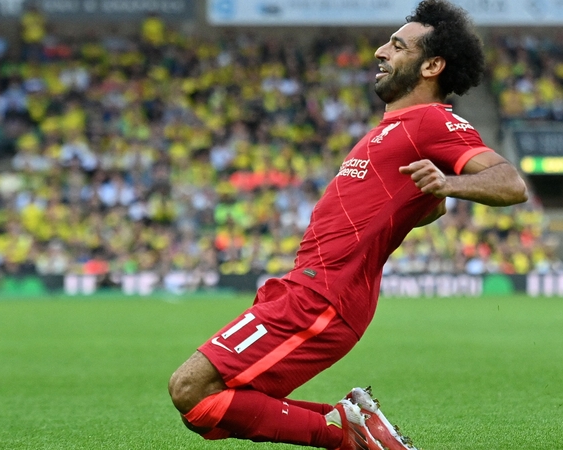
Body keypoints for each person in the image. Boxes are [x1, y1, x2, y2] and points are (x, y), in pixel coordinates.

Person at [168, 1, 528, 449]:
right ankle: (352, 425)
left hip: (323, 296)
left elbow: (510, 183)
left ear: (432, 66)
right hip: (307, 288)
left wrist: (448, 183)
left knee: (192, 390)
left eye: (398, 46)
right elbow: (426, 207)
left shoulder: (432, 119)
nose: (381, 51)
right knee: (211, 406)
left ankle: (345, 433)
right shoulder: (394, 127)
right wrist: (422, 198)